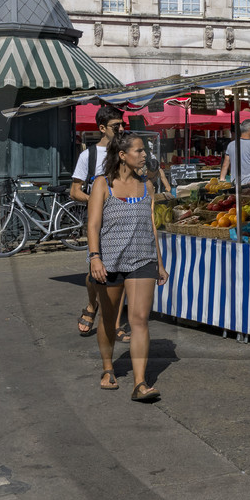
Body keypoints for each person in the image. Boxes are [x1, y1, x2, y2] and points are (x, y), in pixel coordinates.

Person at [85, 132, 168, 400]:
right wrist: (94, 256)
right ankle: (108, 368)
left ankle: (140, 383)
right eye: (139, 151)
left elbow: (152, 226)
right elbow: (93, 224)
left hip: (142, 259)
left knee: (140, 320)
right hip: (109, 260)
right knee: (109, 319)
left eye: (144, 151)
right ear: (122, 155)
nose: (144, 155)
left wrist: (160, 262)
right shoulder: (102, 184)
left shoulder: (147, 185)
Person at [71, 103, 126, 338]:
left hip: (123, 219)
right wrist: (96, 201)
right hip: (99, 221)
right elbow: (75, 191)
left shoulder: (126, 150)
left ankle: (113, 323)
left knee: (122, 269)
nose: (121, 129)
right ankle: (92, 305)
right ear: (102, 128)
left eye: (123, 124)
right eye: (116, 126)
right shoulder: (89, 155)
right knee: (96, 270)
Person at [220, 120, 250, 184]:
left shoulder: (231, 145)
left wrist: (221, 180)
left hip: (235, 185)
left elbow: (225, 165)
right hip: (249, 186)